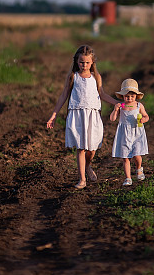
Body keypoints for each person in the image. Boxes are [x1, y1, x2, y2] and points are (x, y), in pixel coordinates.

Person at [47, 45, 120, 189]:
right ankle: (82, 179)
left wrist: (118, 103)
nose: (84, 65)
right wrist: (54, 115)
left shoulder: (96, 77)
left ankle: (88, 166)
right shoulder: (73, 76)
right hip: (77, 114)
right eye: (81, 62)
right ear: (76, 61)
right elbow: (63, 96)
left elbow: (102, 94)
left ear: (92, 62)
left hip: (92, 115)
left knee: (92, 148)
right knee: (81, 148)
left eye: (87, 62)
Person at [109, 78, 150, 186]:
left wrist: (143, 119)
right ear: (122, 96)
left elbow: (146, 116)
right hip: (124, 134)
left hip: (136, 133)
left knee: (137, 154)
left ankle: (139, 168)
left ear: (136, 96)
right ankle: (128, 178)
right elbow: (112, 119)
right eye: (127, 96)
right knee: (126, 157)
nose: (129, 98)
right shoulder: (121, 106)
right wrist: (115, 109)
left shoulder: (139, 106)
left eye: (132, 96)